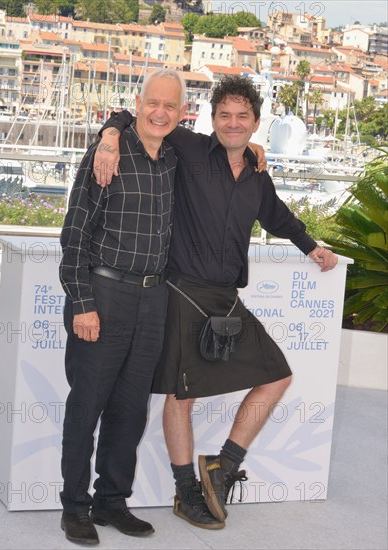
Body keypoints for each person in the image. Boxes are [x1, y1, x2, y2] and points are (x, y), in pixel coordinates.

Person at [93, 75, 338, 530]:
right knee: (181, 395)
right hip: (182, 291)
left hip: (227, 299)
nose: (232, 122)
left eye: (242, 116)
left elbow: (279, 216)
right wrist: (109, 138)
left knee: (277, 376)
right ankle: (186, 490)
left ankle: (222, 467)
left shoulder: (257, 174)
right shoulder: (187, 148)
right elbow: (134, 116)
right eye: (224, 114)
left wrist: (312, 247)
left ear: (255, 123)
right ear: (212, 118)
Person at [58, 68, 187, 545]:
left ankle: (112, 501)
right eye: (153, 102)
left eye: (170, 106)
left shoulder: (175, 158)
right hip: (103, 295)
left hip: (153, 300)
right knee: (87, 406)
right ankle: (74, 507)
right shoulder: (106, 153)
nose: (160, 112)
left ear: (180, 113)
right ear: (138, 103)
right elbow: (74, 238)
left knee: (131, 411)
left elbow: (227, 144)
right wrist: (82, 304)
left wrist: (251, 149)